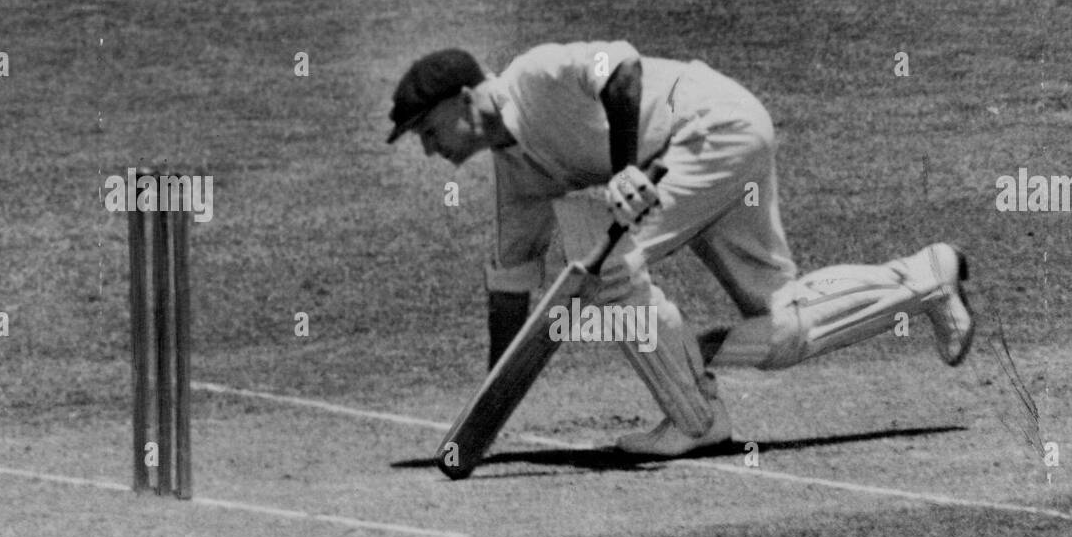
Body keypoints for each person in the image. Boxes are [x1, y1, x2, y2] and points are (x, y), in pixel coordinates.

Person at [387, 41, 974, 458]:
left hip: (710, 126)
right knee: (779, 322)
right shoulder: (517, 178)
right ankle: (925, 279)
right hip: (723, 142)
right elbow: (511, 285)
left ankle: (696, 419)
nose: (429, 150)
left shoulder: (534, 75)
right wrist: (490, 406)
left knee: (605, 264)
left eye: (427, 131)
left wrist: (624, 173)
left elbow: (619, 69)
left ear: (465, 102)